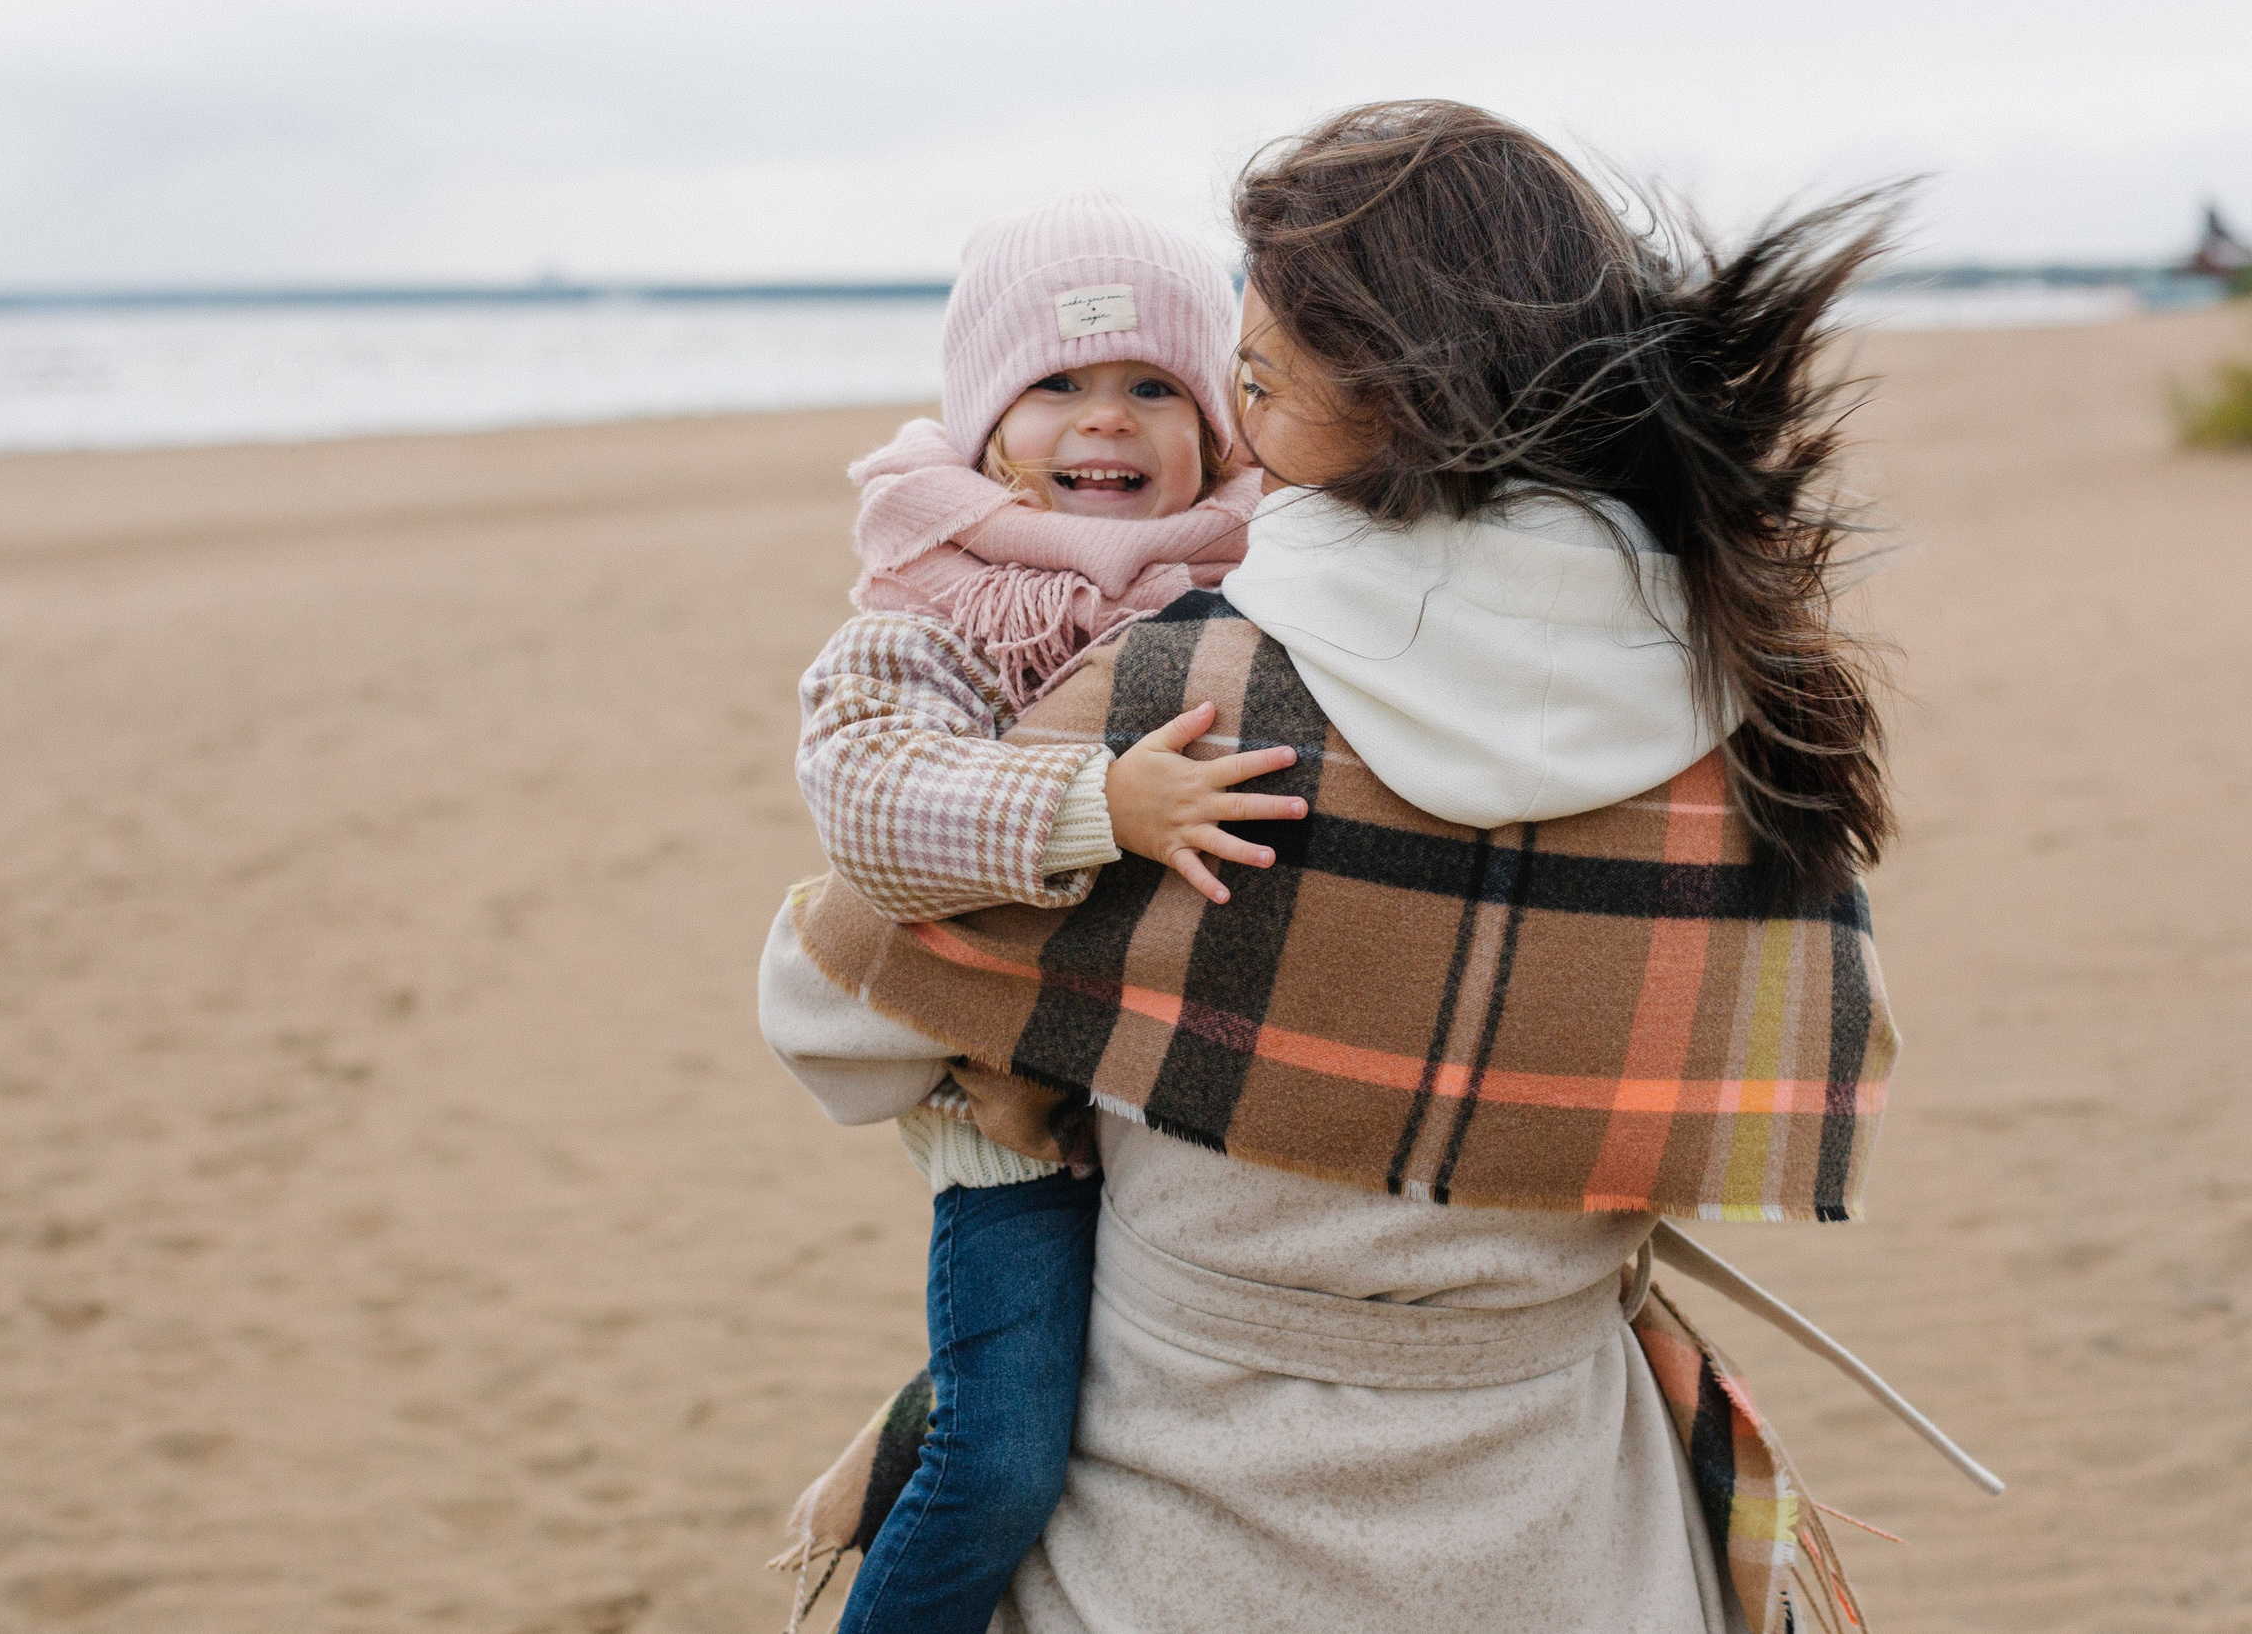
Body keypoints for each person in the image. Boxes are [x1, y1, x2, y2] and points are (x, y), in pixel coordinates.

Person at [766, 101, 1918, 1634]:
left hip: (1182, 1523)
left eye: (1250, 383)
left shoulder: (1188, 698)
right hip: (1569, 1522)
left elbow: (832, 1016)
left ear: (1380, 389)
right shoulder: (1733, 699)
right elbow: (1810, 1052)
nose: (1235, 436)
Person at [782, 188, 1307, 1634]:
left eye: (1154, 387)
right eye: (1058, 386)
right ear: (985, 425)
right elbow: (870, 801)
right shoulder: (927, 602)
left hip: (1172, 1095)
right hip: (1004, 1125)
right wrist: (1101, 808)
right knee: (1002, 1454)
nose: (1108, 422)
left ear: (1220, 422)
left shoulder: (1270, 566)